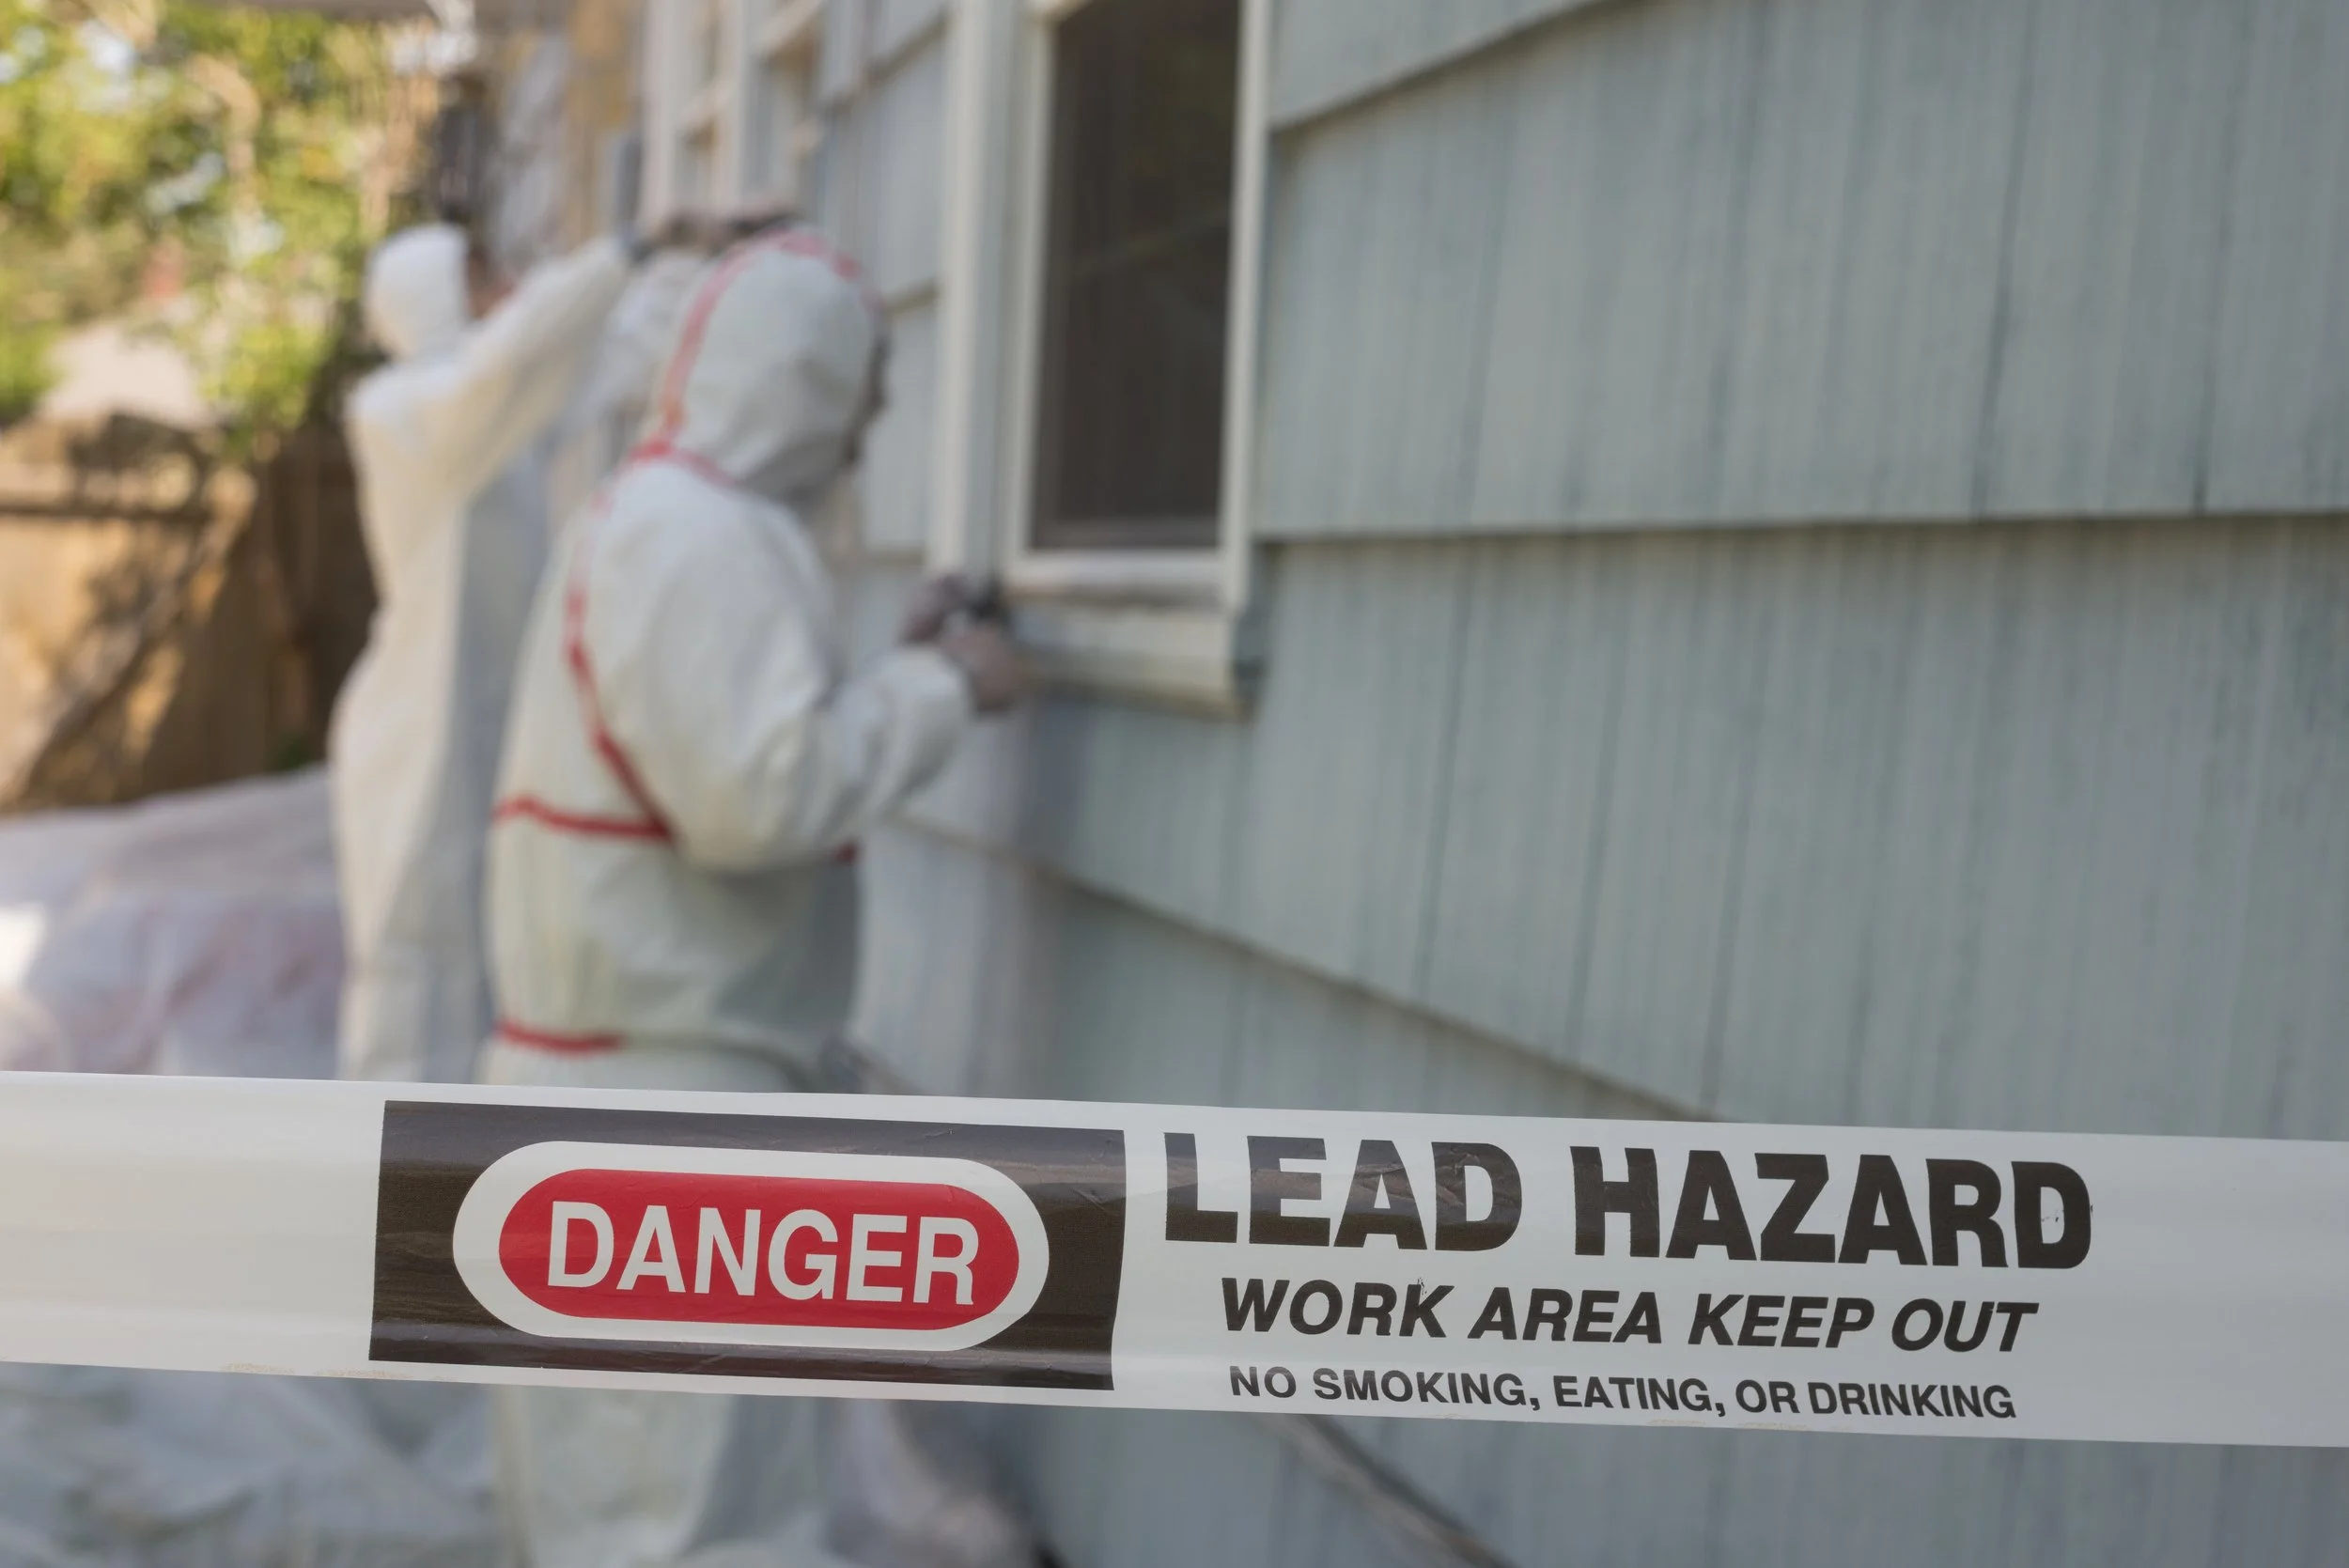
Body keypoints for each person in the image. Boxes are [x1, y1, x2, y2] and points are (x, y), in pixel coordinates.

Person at [477, 227, 1024, 1566]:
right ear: (807, 380)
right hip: (661, 1128)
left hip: (627, 1103)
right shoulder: (700, 536)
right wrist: (949, 686)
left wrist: (889, 673)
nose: (872, 423)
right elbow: (755, 797)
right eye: (866, 387)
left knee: (617, 1499)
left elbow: (724, 750)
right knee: (689, 1518)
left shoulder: (669, 519)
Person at [333, 220, 666, 1085]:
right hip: (414, 726)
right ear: (435, 293)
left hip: (481, 712)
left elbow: (604, 364)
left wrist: (689, 266)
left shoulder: (489, 420)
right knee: (411, 953)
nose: (505, 288)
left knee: (482, 946)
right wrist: (621, 248)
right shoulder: (405, 408)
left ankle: (448, 1174)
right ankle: (377, 1172)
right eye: (481, 276)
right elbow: (511, 361)